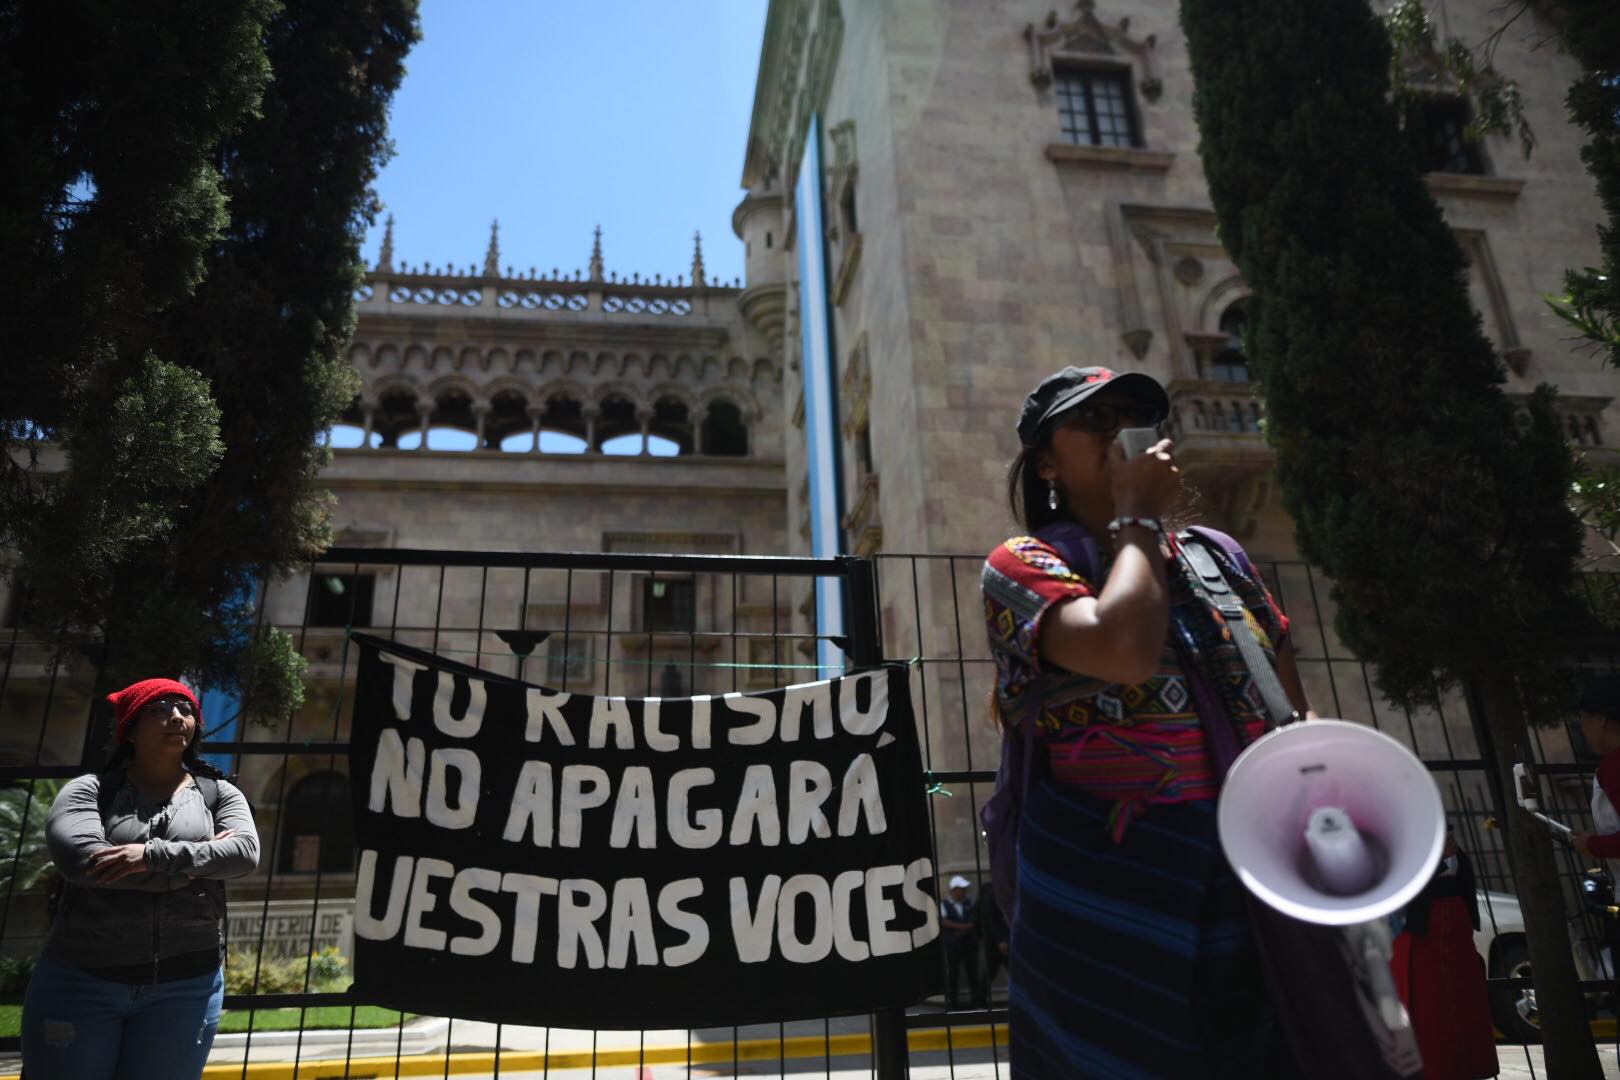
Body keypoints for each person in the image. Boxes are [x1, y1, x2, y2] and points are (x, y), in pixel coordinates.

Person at [981, 366, 1326, 1078]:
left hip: (1249, 887)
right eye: (1096, 420)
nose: (1123, 431)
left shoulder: (1218, 558)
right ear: (1047, 461)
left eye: (1135, 414)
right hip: (1104, 908)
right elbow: (1123, 649)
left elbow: (1288, 707)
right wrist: (1136, 516)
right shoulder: (1022, 566)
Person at [22, 678, 260, 1080]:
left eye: (185, 709)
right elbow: (86, 863)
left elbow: (244, 854)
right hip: (84, 979)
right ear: (129, 729)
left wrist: (146, 856)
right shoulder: (90, 791)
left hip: (188, 984)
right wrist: (197, 861)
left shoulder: (220, 794)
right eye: (158, 709)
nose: (175, 717)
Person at [1389, 828, 1497, 1080]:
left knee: (1460, 1009)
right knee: (1429, 1015)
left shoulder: (1454, 854)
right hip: (1422, 935)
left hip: (1454, 935)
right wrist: (1440, 860)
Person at [1573, 673, 1620, 988]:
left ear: (1601, 719)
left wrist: (1593, 844)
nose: (1583, 729)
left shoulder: (1614, 767)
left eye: (1584, 720)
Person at [939, 875, 981, 1007]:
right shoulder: (945, 904)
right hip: (952, 946)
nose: (964, 892)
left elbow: (975, 919)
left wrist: (965, 928)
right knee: (952, 975)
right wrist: (962, 927)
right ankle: (953, 1003)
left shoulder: (969, 903)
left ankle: (977, 1002)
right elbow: (943, 921)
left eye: (964, 889)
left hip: (969, 945)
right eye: (961, 889)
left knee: (973, 973)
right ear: (954, 890)